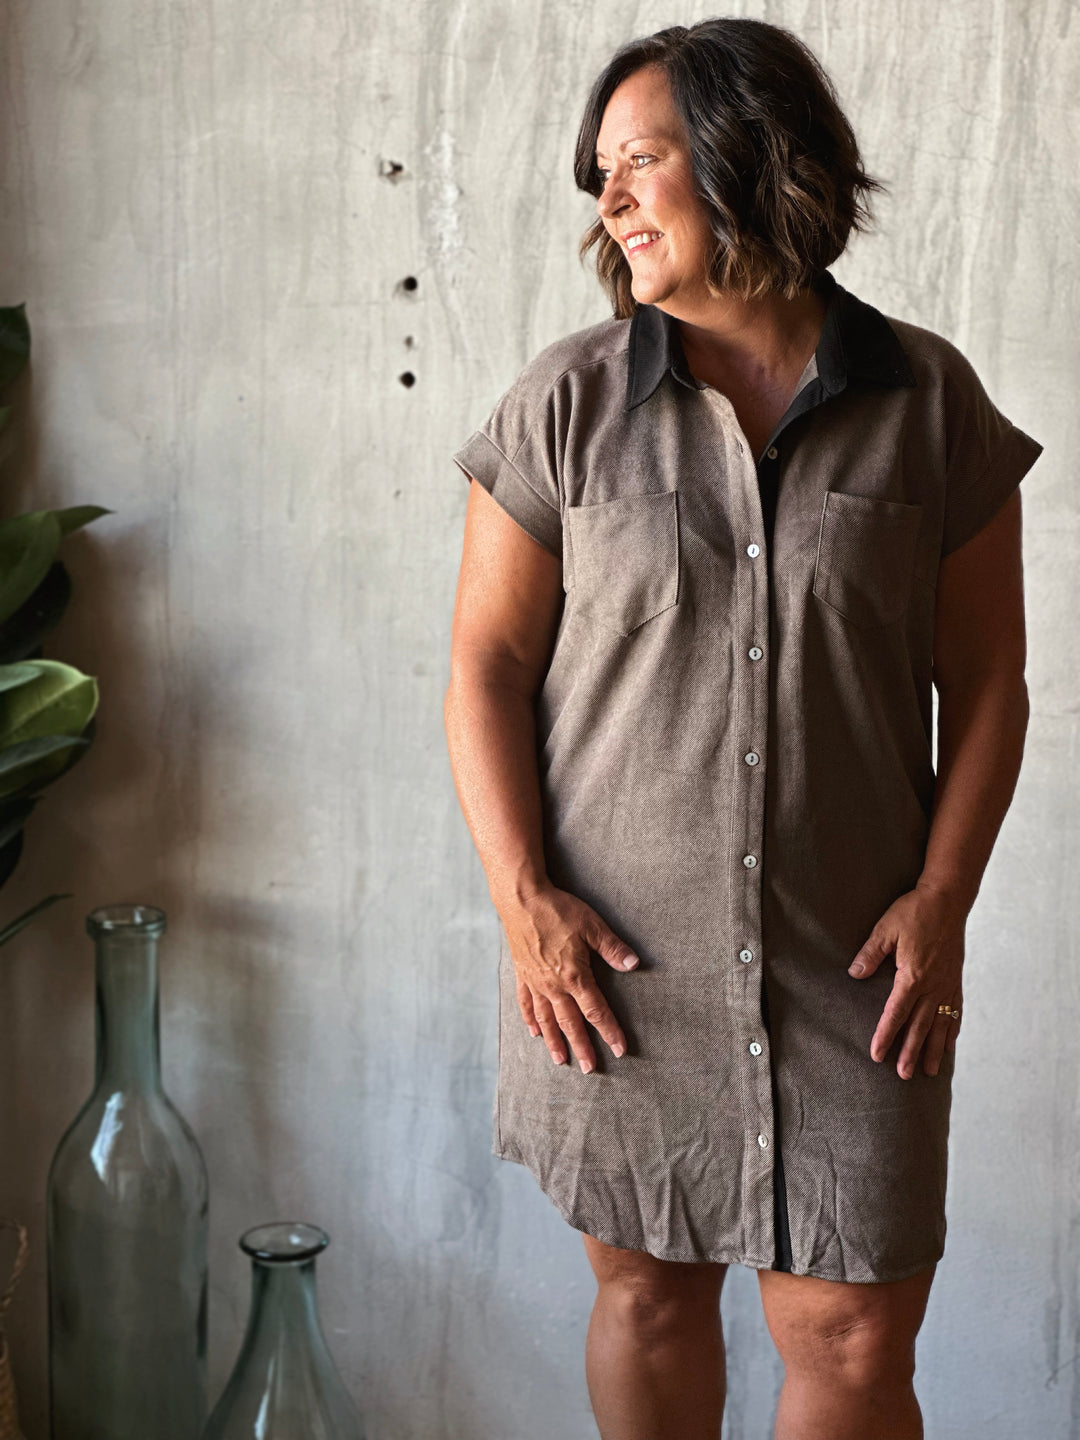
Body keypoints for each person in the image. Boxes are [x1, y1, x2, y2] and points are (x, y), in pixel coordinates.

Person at [443, 16, 1042, 1440]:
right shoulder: (565, 404)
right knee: (648, 1296)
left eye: (640, 160)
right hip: (616, 965)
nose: (609, 197)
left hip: (859, 966)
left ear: (749, 160)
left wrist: (945, 901)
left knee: (851, 1332)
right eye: (600, 170)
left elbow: (990, 681)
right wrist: (522, 902)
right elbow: (485, 665)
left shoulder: (930, 403)